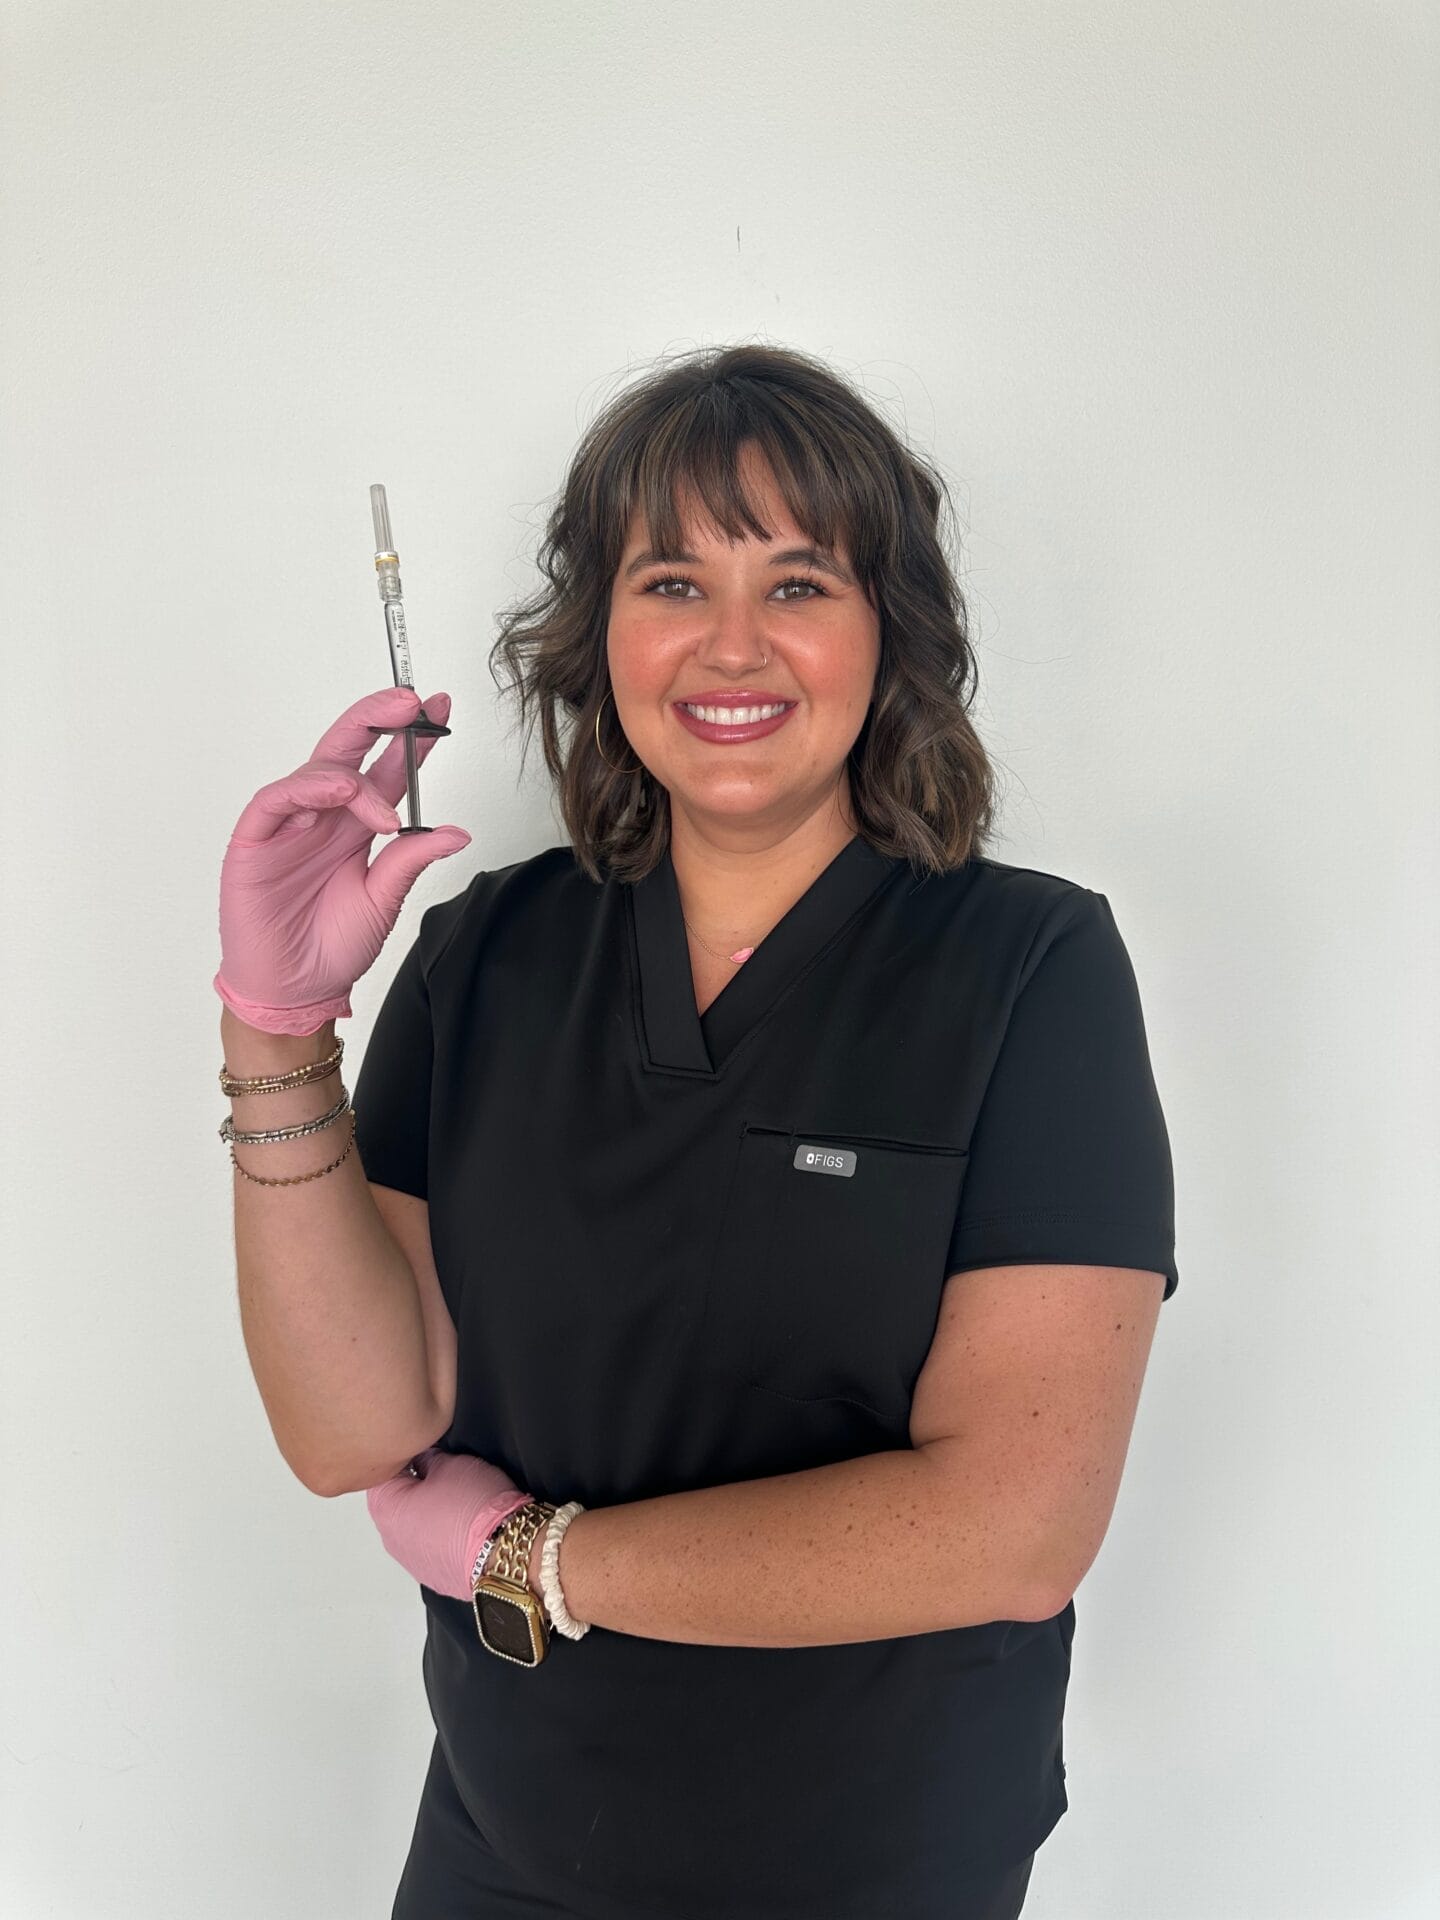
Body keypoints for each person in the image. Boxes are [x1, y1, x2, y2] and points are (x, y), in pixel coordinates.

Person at [214, 343, 1178, 1920]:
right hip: (502, 1845)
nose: (733, 645)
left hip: (873, 1864)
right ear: (600, 633)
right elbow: (352, 1427)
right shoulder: (482, 957)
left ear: (890, 632)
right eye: (673, 581)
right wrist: (277, 1027)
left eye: (799, 584)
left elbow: (1010, 1530)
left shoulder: (1029, 970)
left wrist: (532, 1561)